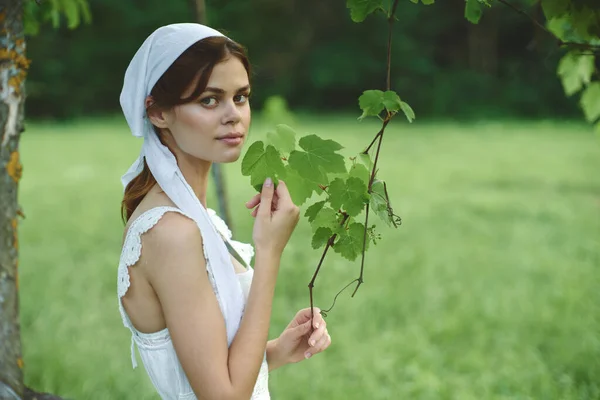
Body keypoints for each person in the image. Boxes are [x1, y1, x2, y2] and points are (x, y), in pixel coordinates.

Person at [116, 23, 332, 400]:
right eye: (209, 100)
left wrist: (277, 351)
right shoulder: (171, 232)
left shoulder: (195, 218)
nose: (234, 115)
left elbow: (210, 366)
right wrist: (268, 253)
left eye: (241, 97)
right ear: (158, 112)